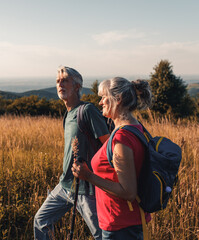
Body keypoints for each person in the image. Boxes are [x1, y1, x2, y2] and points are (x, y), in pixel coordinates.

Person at [34, 66, 110, 240]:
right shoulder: (68, 114)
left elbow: (109, 147)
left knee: (102, 235)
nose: (60, 84)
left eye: (65, 80)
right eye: (58, 81)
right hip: (65, 185)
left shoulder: (88, 110)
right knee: (41, 221)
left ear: (77, 86)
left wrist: (92, 175)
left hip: (86, 189)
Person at [72, 77, 152, 240]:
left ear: (118, 99)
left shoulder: (122, 138)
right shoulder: (137, 128)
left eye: (103, 97)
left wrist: (88, 176)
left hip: (121, 225)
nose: (100, 102)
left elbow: (128, 192)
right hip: (127, 220)